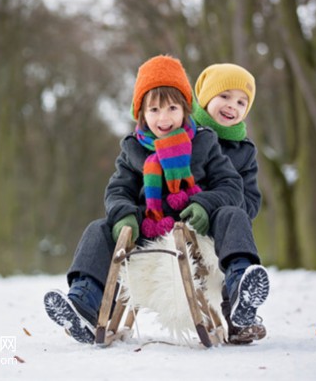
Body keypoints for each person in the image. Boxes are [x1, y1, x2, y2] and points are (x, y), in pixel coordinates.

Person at [44, 55, 267, 345]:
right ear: (141, 114)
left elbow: (231, 185)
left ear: (186, 109)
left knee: (232, 214)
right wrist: (124, 214)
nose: (164, 118)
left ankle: (240, 291)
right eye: (155, 109)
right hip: (147, 227)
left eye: (173, 108)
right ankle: (84, 302)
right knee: (97, 228)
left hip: (195, 226)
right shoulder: (133, 151)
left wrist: (205, 204)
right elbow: (117, 190)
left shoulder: (203, 143)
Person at [193, 63, 269, 344]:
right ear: (204, 97)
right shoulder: (186, 135)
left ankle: (241, 305)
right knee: (230, 213)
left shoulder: (244, 151)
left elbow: (251, 198)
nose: (231, 106)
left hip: (224, 225)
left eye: (241, 101)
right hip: (186, 215)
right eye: (224, 96)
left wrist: (231, 210)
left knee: (233, 215)